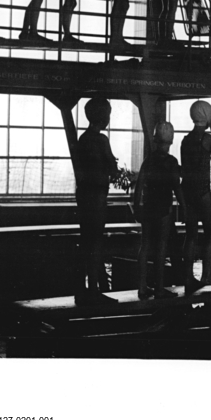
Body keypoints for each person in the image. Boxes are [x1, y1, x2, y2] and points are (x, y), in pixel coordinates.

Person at [180, 100, 211, 294]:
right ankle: (206, 274)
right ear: (207, 115)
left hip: (187, 190)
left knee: (191, 235)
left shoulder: (186, 139)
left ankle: (188, 276)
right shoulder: (207, 139)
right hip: (202, 191)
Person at [74, 97, 119, 305]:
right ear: (103, 116)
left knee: (86, 242)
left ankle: (81, 289)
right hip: (97, 196)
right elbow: (112, 168)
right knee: (96, 242)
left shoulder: (82, 139)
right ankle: (94, 290)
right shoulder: (101, 140)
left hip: (84, 196)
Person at [134, 122, 184, 300]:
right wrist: (184, 207)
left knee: (145, 245)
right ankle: (160, 288)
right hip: (163, 208)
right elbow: (176, 188)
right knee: (161, 247)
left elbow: (139, 185)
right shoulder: (171, 162)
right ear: (171, 140)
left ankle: (142, 287)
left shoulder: (148, 161)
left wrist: (136, 206)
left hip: (148, 207)